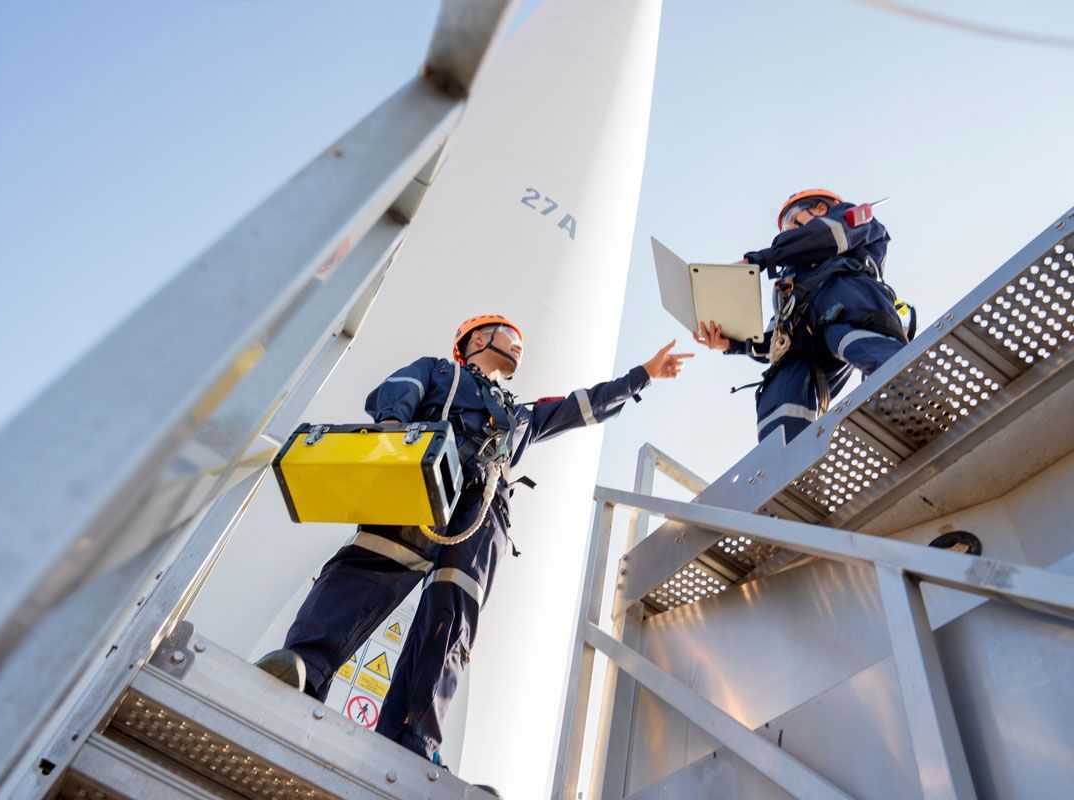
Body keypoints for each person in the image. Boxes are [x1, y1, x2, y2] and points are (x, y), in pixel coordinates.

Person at [257, 314, 692, 763]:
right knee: (369, 568)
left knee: (453, 612)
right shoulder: (440, 372)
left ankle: (413, 739)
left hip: (483, 511)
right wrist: (392, 425)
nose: (520, 346)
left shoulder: (522, 416)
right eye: (512, 336)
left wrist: (644, 375)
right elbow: (401, 387)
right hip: (424, 474)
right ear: (478, 338)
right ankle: (305, 669)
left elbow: (583, 405)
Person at [694, 189, 910, 443]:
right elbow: (777, 340)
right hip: (807, 339)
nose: (786, 233)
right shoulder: (790, 279)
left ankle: (909, 401)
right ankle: (783, 460)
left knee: (851, 332)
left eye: (791, 222)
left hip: (848, 306)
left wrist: (760, 259)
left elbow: (823, 237)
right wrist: (732, 343)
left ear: (820, 208)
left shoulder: (853, 218)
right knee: (783, 375)